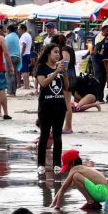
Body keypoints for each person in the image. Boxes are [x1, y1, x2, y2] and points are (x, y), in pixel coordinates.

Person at [35, 44, 69, 175]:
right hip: (45, 106)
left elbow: (66, 87)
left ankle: (57, 164)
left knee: (57, 136)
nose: (58, 55)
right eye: (55, 52)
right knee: (44, 135)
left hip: (59, 105)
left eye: (59, 52)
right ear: (48, 53)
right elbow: (43, 83)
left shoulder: (59, 68)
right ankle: (41, 164)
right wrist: (55, 72)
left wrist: (64, 73)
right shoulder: (41, 67)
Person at [92, 20, 108, 101]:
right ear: (103, 28)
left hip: (106, 61)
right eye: (107, 27)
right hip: (96, 60)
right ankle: (96, 96)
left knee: (103, 78)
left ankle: (100, 97)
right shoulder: (96, 37)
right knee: (98, 77)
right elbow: (92, 48)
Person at [5, 24, 22, 96]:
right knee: (14, 74)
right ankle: (14, 91)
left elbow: (5, 49)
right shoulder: (17, 37)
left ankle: (10, 91)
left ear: (8, 30)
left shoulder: (7, 37)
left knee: (9, 74)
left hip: (10, 58)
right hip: (17, 57)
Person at [19, 24, 33, 91]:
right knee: (26, 70)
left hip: (24, 54)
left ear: (23, 29)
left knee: (24, 70)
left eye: (19, 29)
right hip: (27, 53)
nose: (18, 30)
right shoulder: (28, 35)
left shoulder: (24, 35)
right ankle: (27, 85)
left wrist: (21, 54)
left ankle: (26, 85)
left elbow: (24, 45)